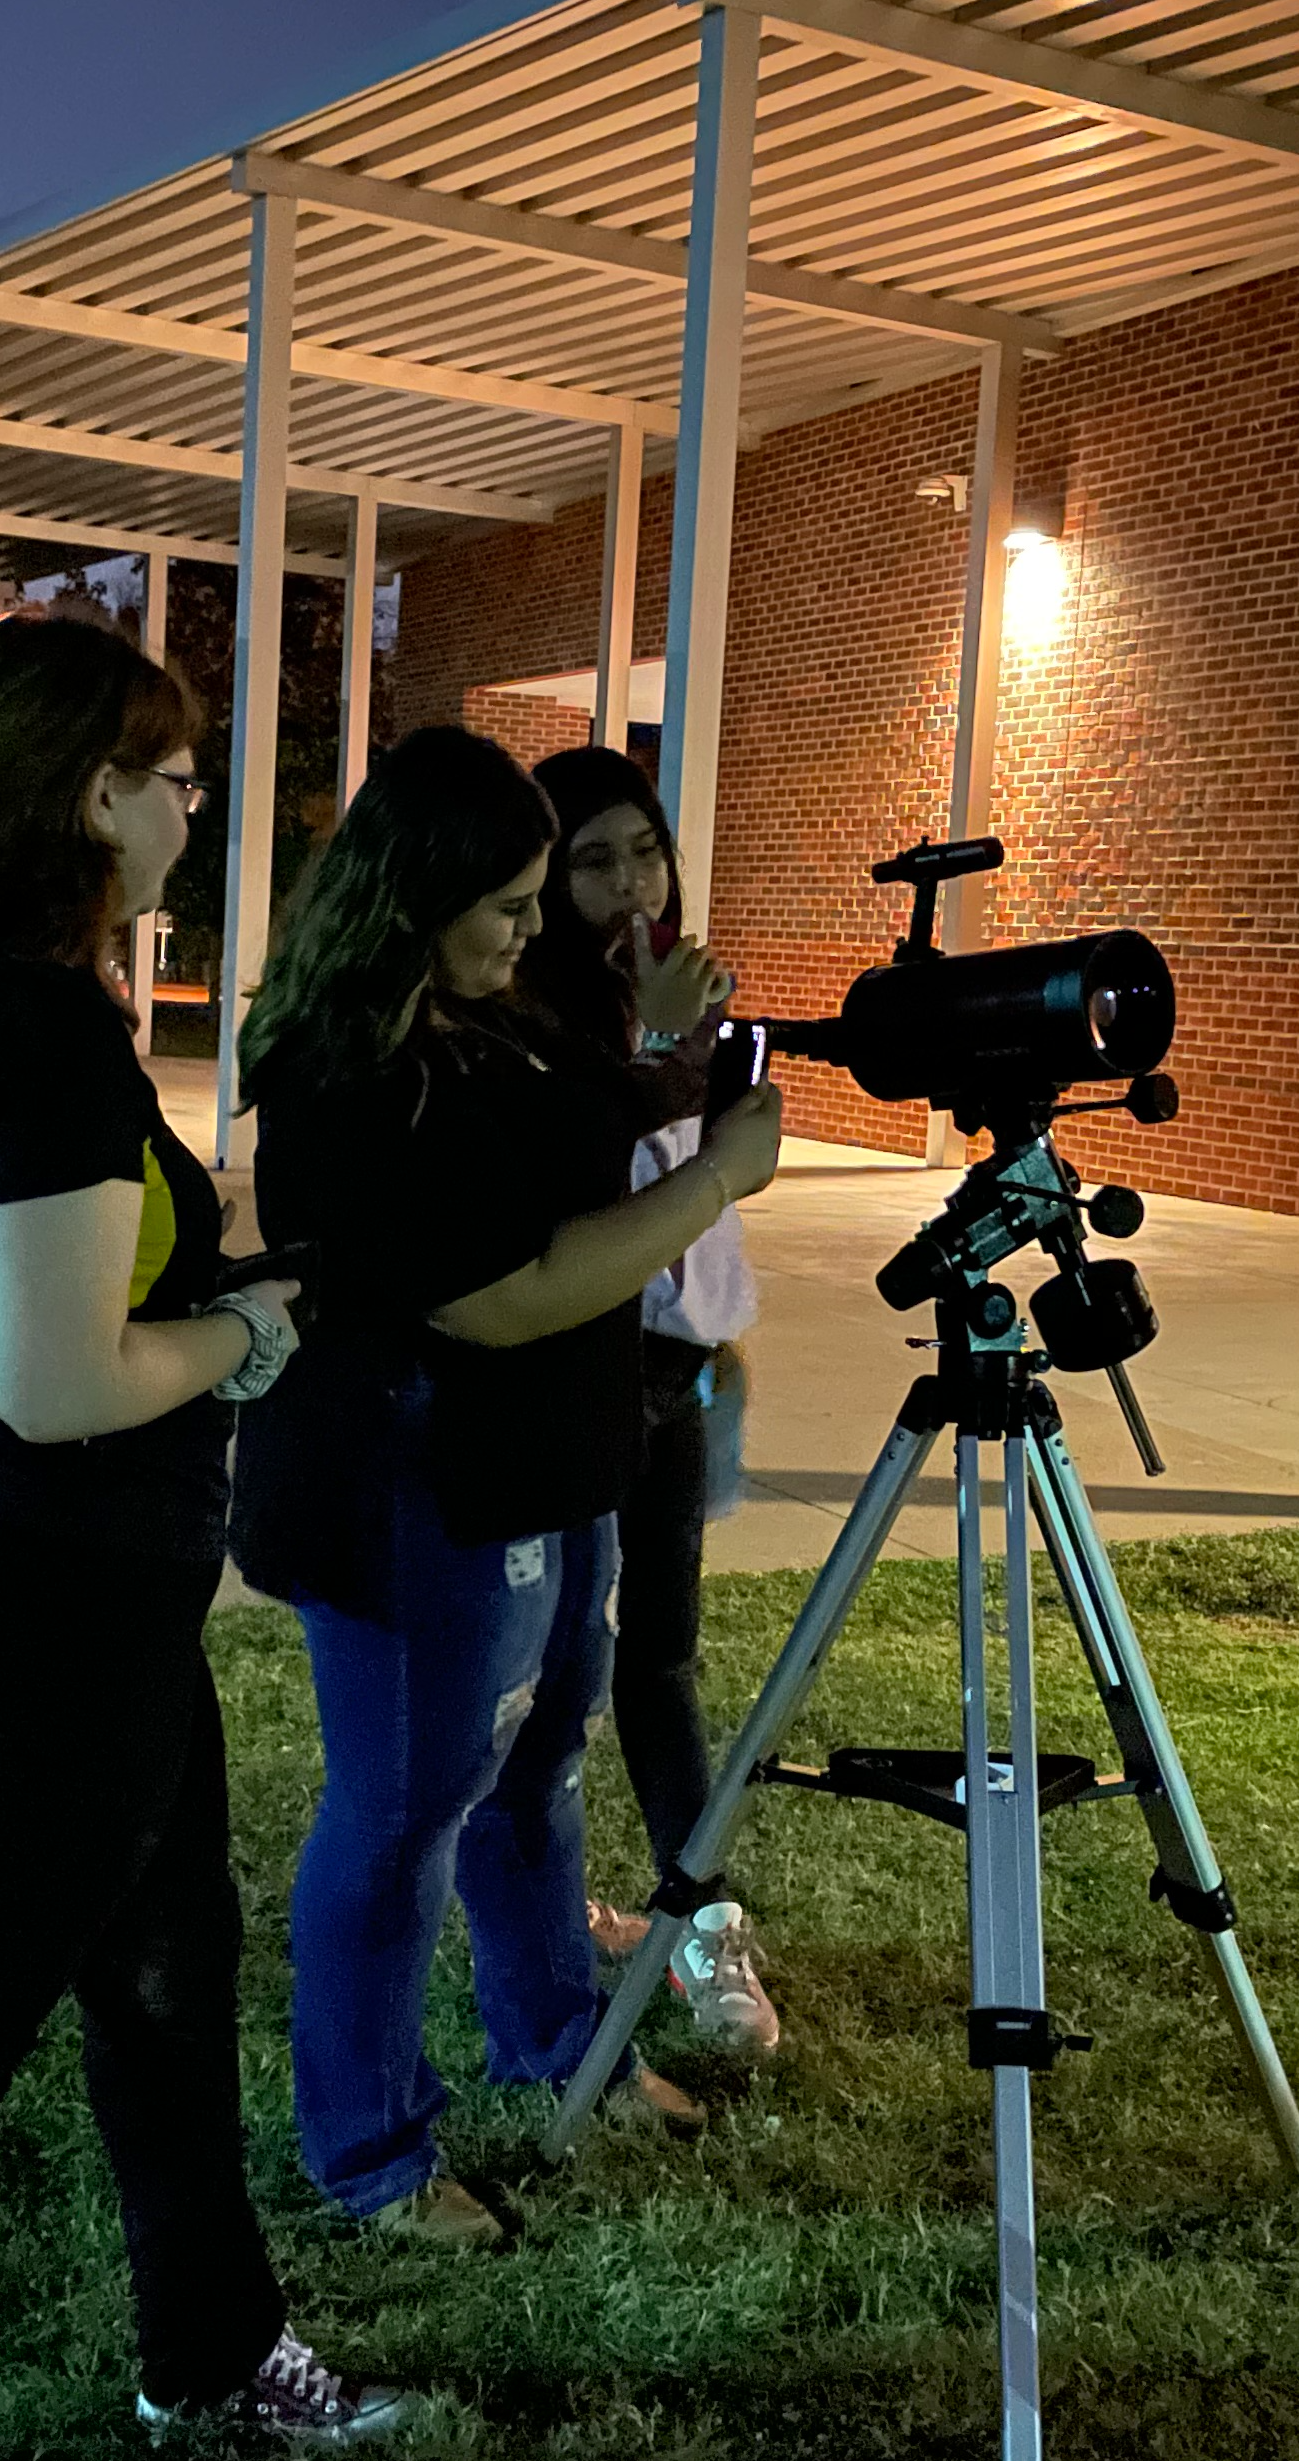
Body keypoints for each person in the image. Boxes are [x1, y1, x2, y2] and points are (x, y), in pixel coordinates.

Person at [0, 616, 405, 2461]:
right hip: (15, 1592)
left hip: (10, 1574)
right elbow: (50, 1381)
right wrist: (251, 1334)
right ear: (83, 793)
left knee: (160, 1976)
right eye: (170, 769)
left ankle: (211, 2345)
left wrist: (198, 1305)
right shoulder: (31, 1031)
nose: (195, 801)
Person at [231, 726, 785, 2248]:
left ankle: (560, 2047)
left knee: (536, 1772)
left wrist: (676, 1081)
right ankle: (371, 2149)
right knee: (403, 1813)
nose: (535, 925)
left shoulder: (495, 1022)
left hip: (546, 1464)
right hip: (414, 1490)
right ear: (419, 893)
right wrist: (717, 1179)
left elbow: (585, 1107)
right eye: (510, 899)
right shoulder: (348, 1070)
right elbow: (500, 1295)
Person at [518, 743, 779, 2054]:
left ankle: (701, 1920)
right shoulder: (539, 1008)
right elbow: (600, 1176)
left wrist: (724, 1331)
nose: (629, 882)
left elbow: (715, 1175)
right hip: (581, 1385)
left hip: (678, 1381)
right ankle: (536, 1919)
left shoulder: (679, 987)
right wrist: (672, 1040)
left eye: (645, 849)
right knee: (554, 1673)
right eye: (593, 858)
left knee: (661, 1666)